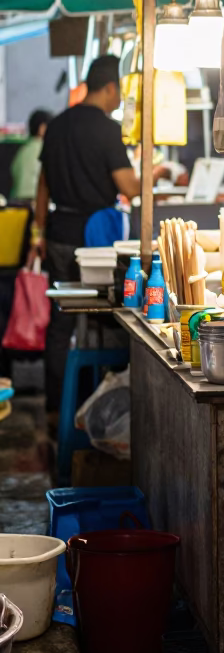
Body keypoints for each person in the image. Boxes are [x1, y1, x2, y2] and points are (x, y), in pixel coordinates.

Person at [32, 55, 146, 422]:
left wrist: (39, 232)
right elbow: (128, 186)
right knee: (104, 318)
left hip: (60, 233)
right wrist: (154, 173)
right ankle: (98, 404)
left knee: (60, 321)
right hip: (95, 241)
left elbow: (43, 187)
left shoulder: (58, 125)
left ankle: (55, 407)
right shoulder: (107, 129)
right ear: (110, 87)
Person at [10, 109, 52, 202]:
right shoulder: (45, 148)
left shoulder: (23, 150)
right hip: (35, 201)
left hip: (16, 202)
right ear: (42, 129)